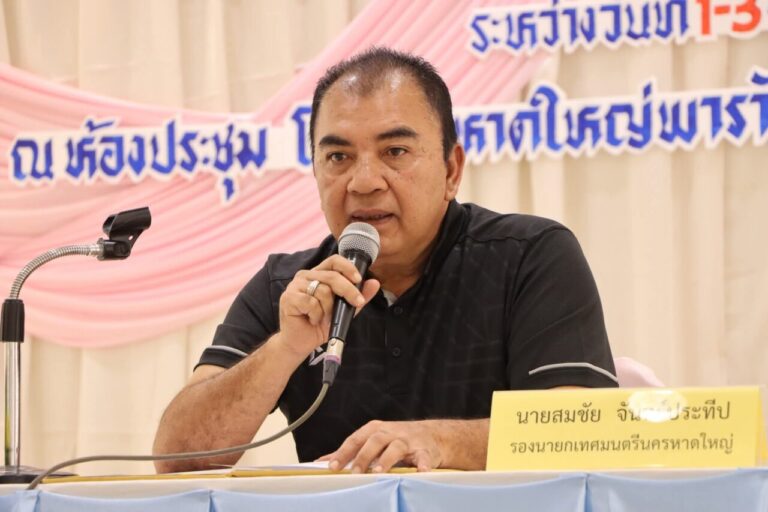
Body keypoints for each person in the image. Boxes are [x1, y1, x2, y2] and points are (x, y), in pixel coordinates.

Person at [153, 47, 617, 474]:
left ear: (451, 170)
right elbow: (176, 459)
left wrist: (440, 442)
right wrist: (285, 349)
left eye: (395, 152)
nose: (364, 182)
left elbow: (583, 432)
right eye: (338, 156)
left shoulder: (530, 256)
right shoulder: (288, 287)